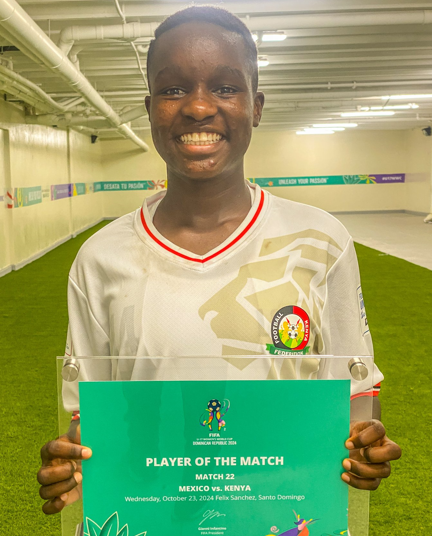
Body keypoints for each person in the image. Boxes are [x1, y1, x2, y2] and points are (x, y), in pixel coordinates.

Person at [37, 6, 401, 515]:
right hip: (153, 517)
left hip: (279, 516)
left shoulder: (320, 240)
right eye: (173, 89)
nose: (199, 107)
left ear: (256, 106)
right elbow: (87, 417)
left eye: (226, 88)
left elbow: (357, 395)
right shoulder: (101, 258)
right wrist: (72, 465)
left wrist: (364, 442)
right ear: (149, 106)